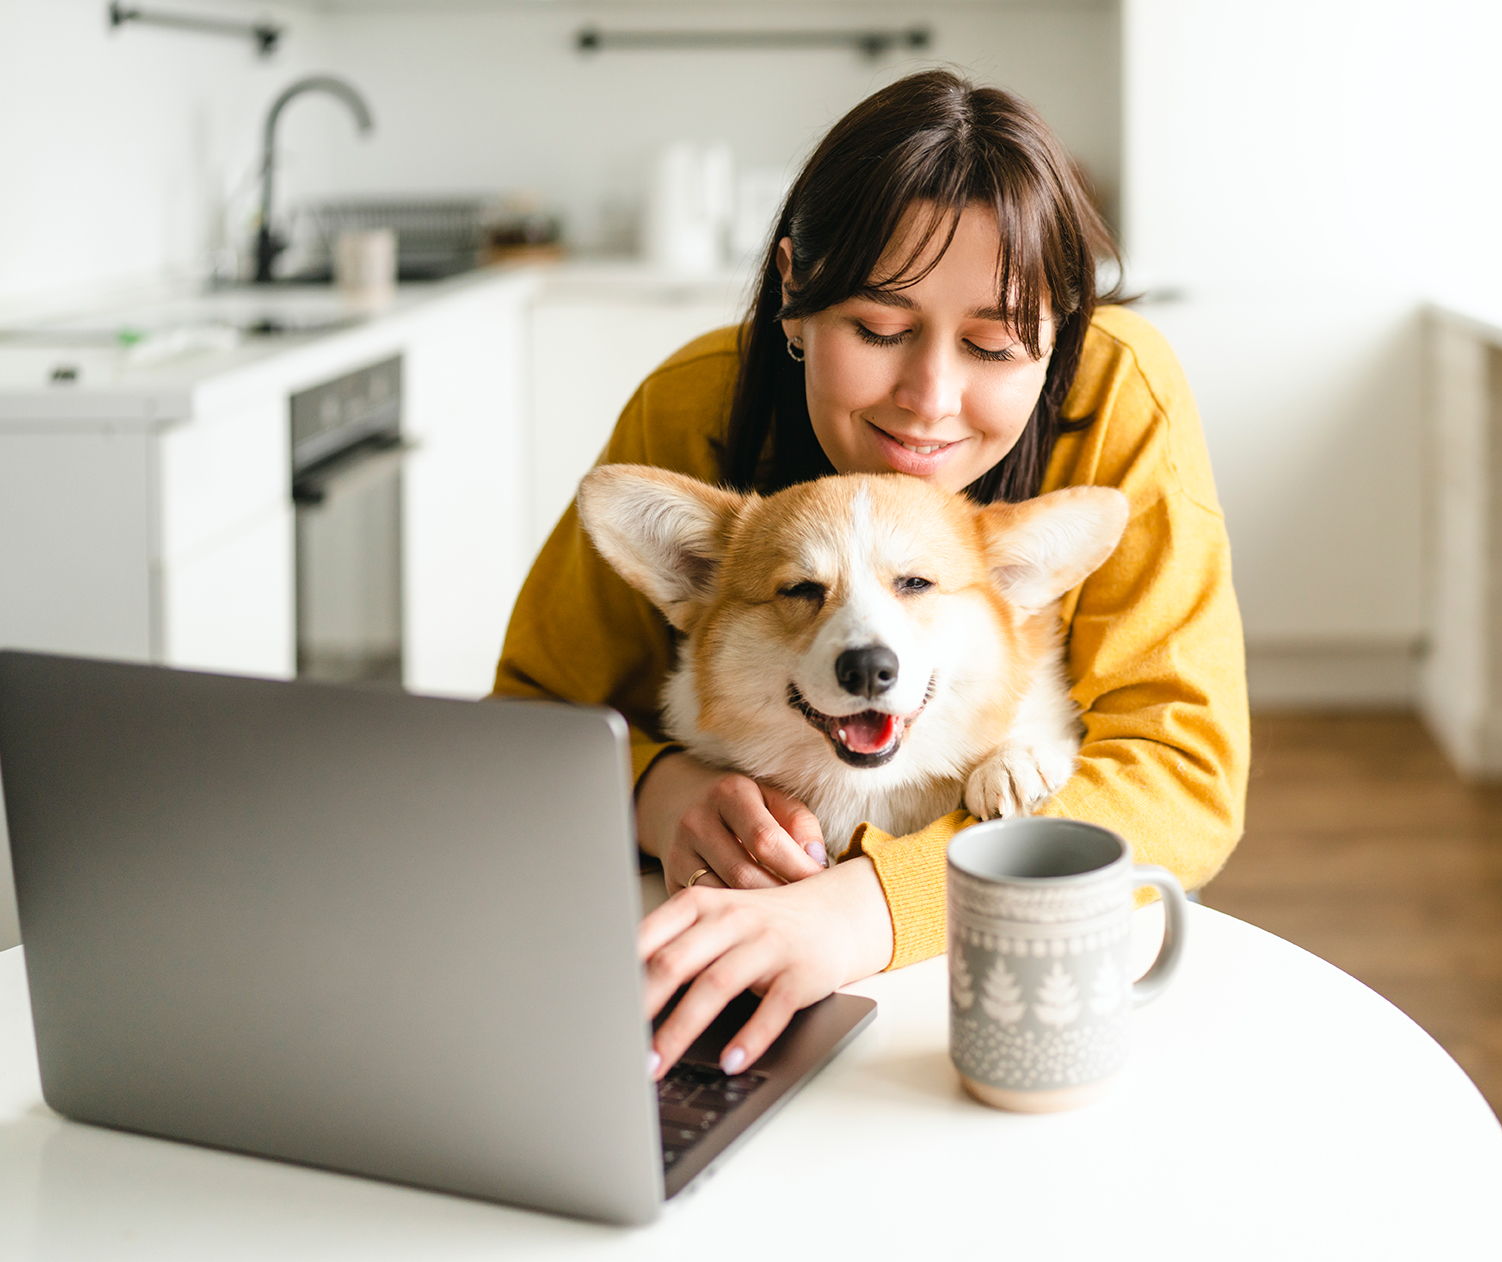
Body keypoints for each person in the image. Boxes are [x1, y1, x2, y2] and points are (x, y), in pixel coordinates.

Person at [492, 70, 1248, 1081]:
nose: (928, 399)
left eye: (994, 342)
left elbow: (1181, 769)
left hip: (1006, 965)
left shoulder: (1121, 397)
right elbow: (526, 722)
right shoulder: (689, 410)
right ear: (796, 296)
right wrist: (661, 792)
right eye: (878, 330)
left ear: (1060, 332)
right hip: (703, 947)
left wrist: (875, 904)